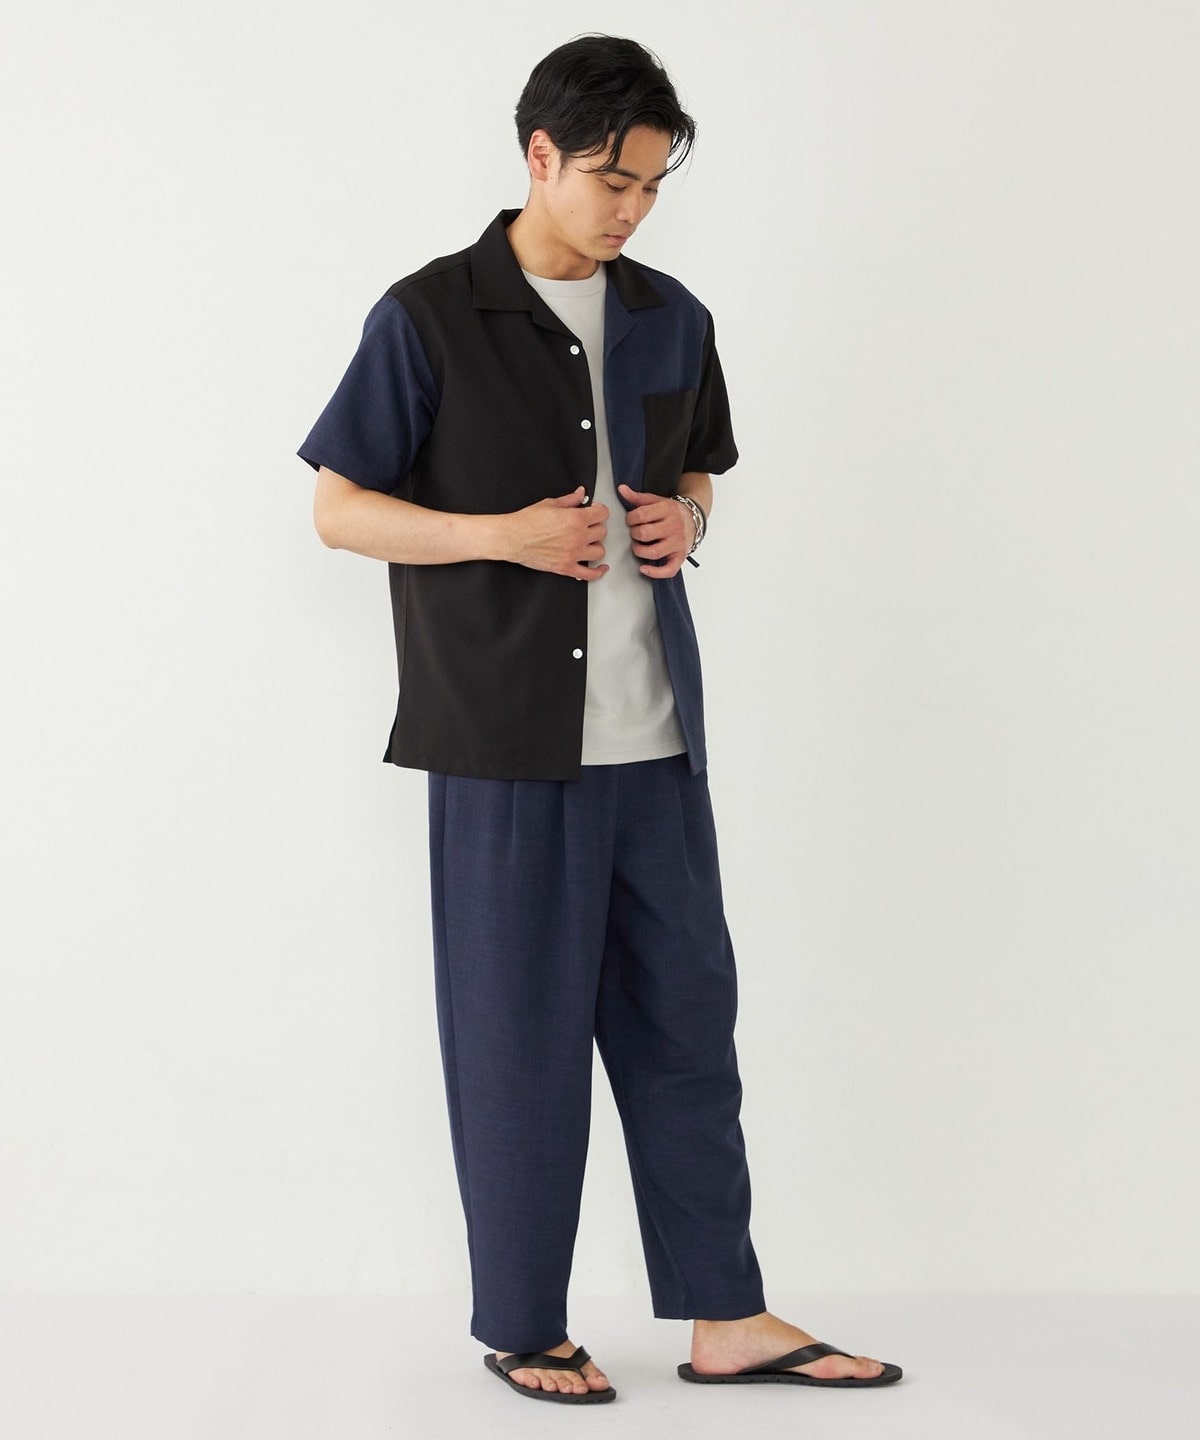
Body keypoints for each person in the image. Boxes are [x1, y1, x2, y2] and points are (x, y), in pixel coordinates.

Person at [298, 34, 901, 1405]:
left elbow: (700, 470)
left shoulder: (673, 317)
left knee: (688, 1031)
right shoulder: (429, 314)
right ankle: (524, 1323)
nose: (632, 208)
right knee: (517, 1047)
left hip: (659, 746)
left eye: (652, 185)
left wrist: (688, 517)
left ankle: (727, 1317)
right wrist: (497, 534)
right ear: (539, 156)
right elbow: (337, 509)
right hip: (507, 751)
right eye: (611, 180)